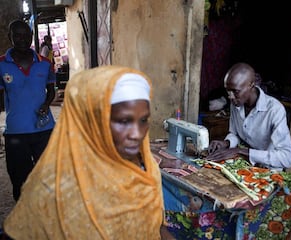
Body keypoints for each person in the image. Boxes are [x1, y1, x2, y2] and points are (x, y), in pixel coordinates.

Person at [3, 65, 174, 239]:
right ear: (91, 122)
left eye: (143, 120)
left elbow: (157, 227)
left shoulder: (148, 168)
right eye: (123, 121)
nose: (137, 134)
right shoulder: (54, 189)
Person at [0, 19, 56, 201]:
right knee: (19, 179)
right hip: (16, 133)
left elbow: (51, 91)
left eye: (26, 35)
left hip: (44, 130)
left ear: (32, 37)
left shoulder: (45, 63)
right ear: (10, 37)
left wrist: (47, 104)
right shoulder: (1, 65)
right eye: (17, 35)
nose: (22, 39)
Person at [207, 62, 291, 171]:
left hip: (268, 171)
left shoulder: (274, 110)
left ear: (251, 85)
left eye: (235, 91)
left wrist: (240, 151)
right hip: (246, 166)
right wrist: (227, 143)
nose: (230, 96)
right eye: (228, 91)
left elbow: (287, 158)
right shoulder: (236, 102)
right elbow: (235, 134)